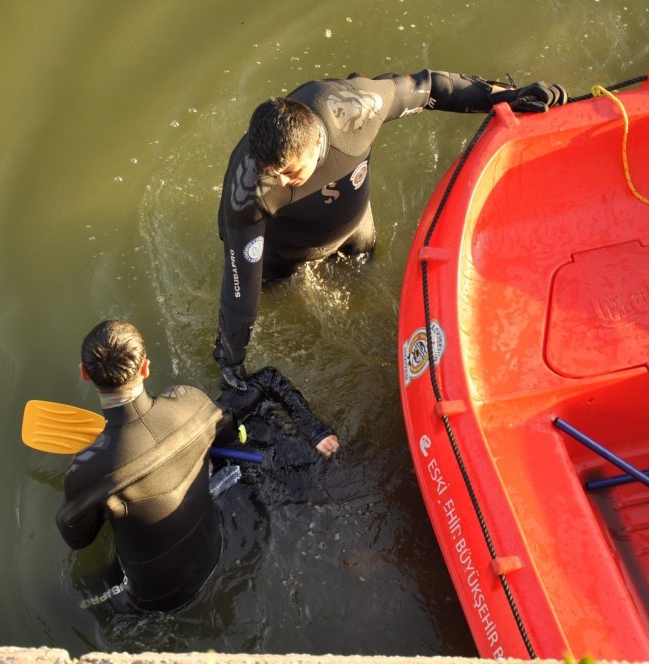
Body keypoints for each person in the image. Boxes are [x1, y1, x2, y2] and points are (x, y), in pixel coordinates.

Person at [213, 69, 567, 387]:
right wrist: (231, 361)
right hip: (285, 253)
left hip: (355, 230)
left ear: (313, 144)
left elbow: (428, 87)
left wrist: (508, 96)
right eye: (273, 174)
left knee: (370, 281)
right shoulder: (249, 189)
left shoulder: (353, 109)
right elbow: (239, 282)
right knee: (277, 298)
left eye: (290, 172)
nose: (281, 182)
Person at [56, 319, 338, 612]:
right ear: (145, 368)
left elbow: (77, 538)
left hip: (153, 602)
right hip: (219, 552)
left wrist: (95, 467)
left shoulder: (86, 471)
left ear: (84, 374)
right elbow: (227, 436)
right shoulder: (191, 402)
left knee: (67, 600)